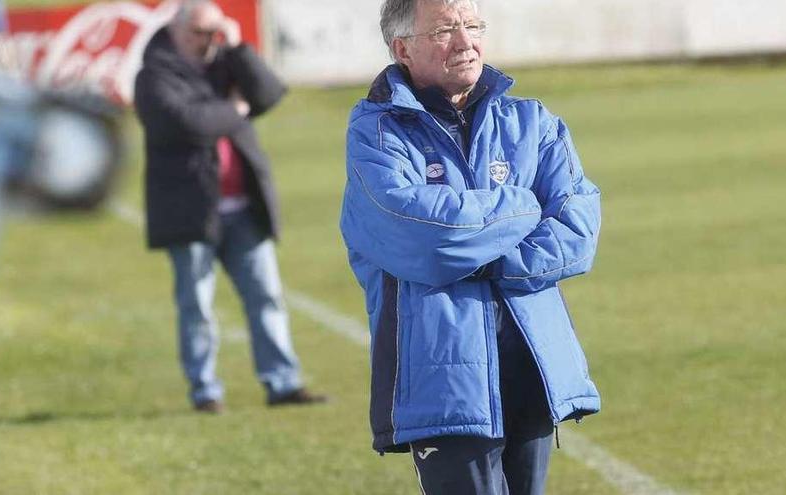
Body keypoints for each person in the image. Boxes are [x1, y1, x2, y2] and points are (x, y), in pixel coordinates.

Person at [339, 0, 602, 493]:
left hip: (532, 363)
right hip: (442, 381)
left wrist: (482, 257)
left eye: (473, 26)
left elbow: (578, 232)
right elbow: (428, 239)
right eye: (444, 30)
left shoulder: (532, 121)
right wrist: (523, 208)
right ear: (403, 49)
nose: (465, 42)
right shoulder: (376, 133)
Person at [134, 0, 326, 413]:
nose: (208, 42)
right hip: (190, 210)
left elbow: (270, 93)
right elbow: (188, 124)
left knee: (267, 297)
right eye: (200, 34)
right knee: (197, 306)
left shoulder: (224, 59)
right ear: (178, 30)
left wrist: (238, 48)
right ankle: (205, 392)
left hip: (243, 207)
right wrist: (237, 109)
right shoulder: (153, 74)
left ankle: (283, 383)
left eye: (213, 33)